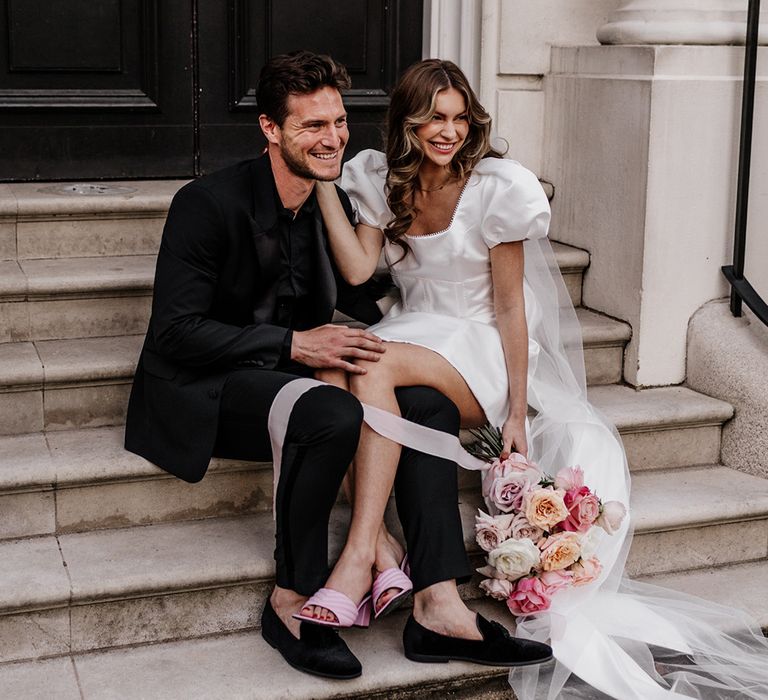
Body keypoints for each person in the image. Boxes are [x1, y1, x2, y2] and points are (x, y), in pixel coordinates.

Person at [292, 59, 768, 698]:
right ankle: (380, 551)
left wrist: (516, 411)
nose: (449, 131)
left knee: (366, 359)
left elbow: (512, 309)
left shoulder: (496, 189)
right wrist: (325, 182)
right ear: (408, 119)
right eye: (435, 116)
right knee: (331, 362)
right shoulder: (382, 178)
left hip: (477, 344)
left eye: (461, 117)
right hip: (416, 328)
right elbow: (356, 272)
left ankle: (357, 558)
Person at [124, 50, 552, 682]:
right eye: (312, 127)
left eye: (339, 123)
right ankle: (295, 597)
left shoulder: (331, 201)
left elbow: (359, 282)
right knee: (330, 410)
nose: (332, 139)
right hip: (207, 383)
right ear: (270, 129)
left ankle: (437, 602)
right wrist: (296, 345)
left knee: (425, 407)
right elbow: (176, 333)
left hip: (295, 365)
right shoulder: (205, 204)